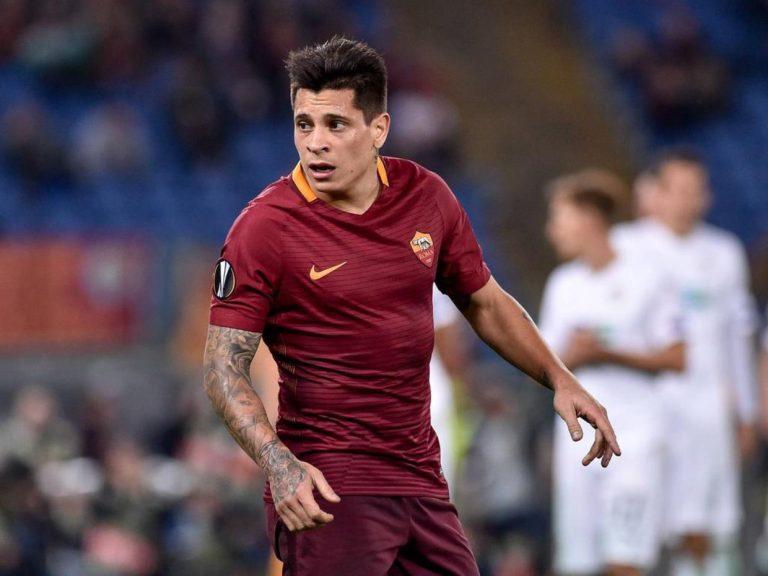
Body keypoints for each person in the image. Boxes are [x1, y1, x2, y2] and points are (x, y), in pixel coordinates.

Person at [202, 37, 620, 575]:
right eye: (304, 124)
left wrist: (559, 379)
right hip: (330, 484)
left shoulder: (425, 196)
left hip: (421, 480)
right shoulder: (264, 228)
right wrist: (278, 464)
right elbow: (222, 366)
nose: (316, 143)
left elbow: (484, 302)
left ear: (378, 129)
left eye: (336, 125)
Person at [613, 149, 759, 576]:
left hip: (706, 407)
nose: (688, 199)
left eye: (697, 189)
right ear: (654, 193)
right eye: (678, 189)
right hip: (643, 409)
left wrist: (746, 411)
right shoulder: (625, 247)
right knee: (639, 526)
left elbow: (737, 339)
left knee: (706, 525)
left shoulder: (724, 253)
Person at [541, 170, 684, 576]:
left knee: (625, 559)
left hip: (633, 438)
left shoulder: (648, 278)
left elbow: (677, 357)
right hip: (576, 442)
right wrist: (575, 356)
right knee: (577, 562)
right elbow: (546, 366)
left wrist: (608, 353)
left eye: (559, 217)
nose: (552, 230)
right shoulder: (562, 284)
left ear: (589, 218)